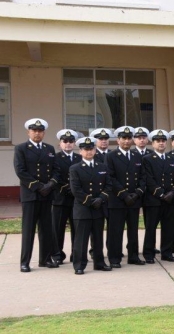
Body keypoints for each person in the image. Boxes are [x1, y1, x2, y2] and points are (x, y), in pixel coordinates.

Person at [15, 118, 59, 272]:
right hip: (31, 194)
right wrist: (39, 186)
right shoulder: (21, 148)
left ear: (44, 133)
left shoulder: (49, 149)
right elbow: (20, 171)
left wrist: (51, 184)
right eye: (34, 130)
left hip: (47, 194)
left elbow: (56, 170)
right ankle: (25, 262)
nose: (37, 133)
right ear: (29, 132)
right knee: (28, 230)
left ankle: (45, 259)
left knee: (46, 229)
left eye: (40, 131)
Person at [69, 137, 113, 275]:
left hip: (98, 208)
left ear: (95, 150)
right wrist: (90, 201)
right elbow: (76, 190)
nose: (89, 152)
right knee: (81, 239)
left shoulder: (102, 167)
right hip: (83, 209)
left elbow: (108, 185)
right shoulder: (75, 168)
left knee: (98, 239)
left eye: (91, 149)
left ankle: (99, 263)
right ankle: (79, 265)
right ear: (81, 151)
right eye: (85, 149)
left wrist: (101, 199)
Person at [105, 126, 146, 267]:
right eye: (124, 138)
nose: (127, 141)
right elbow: (110, 178)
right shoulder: (110, 156)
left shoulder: (137, 156)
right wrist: (123, 194)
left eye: (129, 138)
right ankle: (114, 258)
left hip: (133, 200)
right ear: (118, 140)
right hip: (117, 200)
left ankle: (133, 256)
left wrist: (137, 193)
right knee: (116, 231)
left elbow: (142, 176)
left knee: (133, 231)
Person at [142, 129, 174, 263]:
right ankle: (148, 254)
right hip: (154, 200)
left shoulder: (172, 158)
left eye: (163, 141)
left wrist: (173, 192)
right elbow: (148, 179)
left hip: (170, 200)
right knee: (151, 228)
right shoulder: (147, 159)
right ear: (152, 144)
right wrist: (160, 193)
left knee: (169, 228)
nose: (161, 143)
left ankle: (167, 252)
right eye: (158, 141)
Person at [51, 129, 81, 264]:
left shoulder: (79, 158)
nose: (68, 144)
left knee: (77, 228)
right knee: (58, 228)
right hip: (60, 198)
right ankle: (57, 255)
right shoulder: (54, 158)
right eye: (65, 141)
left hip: (76, 200)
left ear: (74, 143)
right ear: (60, 144)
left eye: (71, 141)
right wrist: (66, 187)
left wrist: (74, 189)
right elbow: (53, 176)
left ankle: (76, 254)